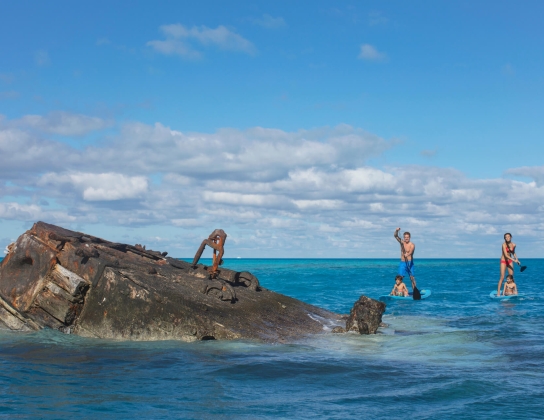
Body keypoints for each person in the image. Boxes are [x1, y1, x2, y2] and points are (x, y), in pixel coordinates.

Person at [394, 227, 418, 293]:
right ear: (404, 237)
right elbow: (395, 236)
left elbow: (410, 251)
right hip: (403, 263)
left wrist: (407, 254)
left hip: (410, 263)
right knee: (399, 278)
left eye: (407, 237)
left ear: (409, 237)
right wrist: (396, 230)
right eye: (405, 237)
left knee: (412, 278)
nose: (406, 238)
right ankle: (397, 291)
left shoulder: (412, 245)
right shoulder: (402, 242)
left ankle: (415, 291)